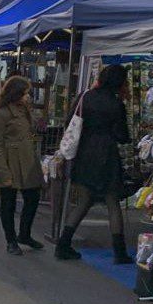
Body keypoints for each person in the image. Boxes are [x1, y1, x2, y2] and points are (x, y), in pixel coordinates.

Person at [56, 63, 132, 262]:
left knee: (84, 200)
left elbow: (71, 122)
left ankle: (63, 243)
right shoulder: (117, 104)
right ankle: (120, 251)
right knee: (112, 202)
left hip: (84, 153)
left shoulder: (85, 97)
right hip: (107, 155)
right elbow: (122, 135)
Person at [0, 75, 45, 254]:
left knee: (32, 197)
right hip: (10, 160)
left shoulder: (23, 110)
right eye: (25, 93)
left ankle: (25, 234)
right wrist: (3, 171)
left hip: (27, 160)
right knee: (8, 202)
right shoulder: (0, 113)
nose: (28, 96)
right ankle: (11, 240)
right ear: (16, 93)